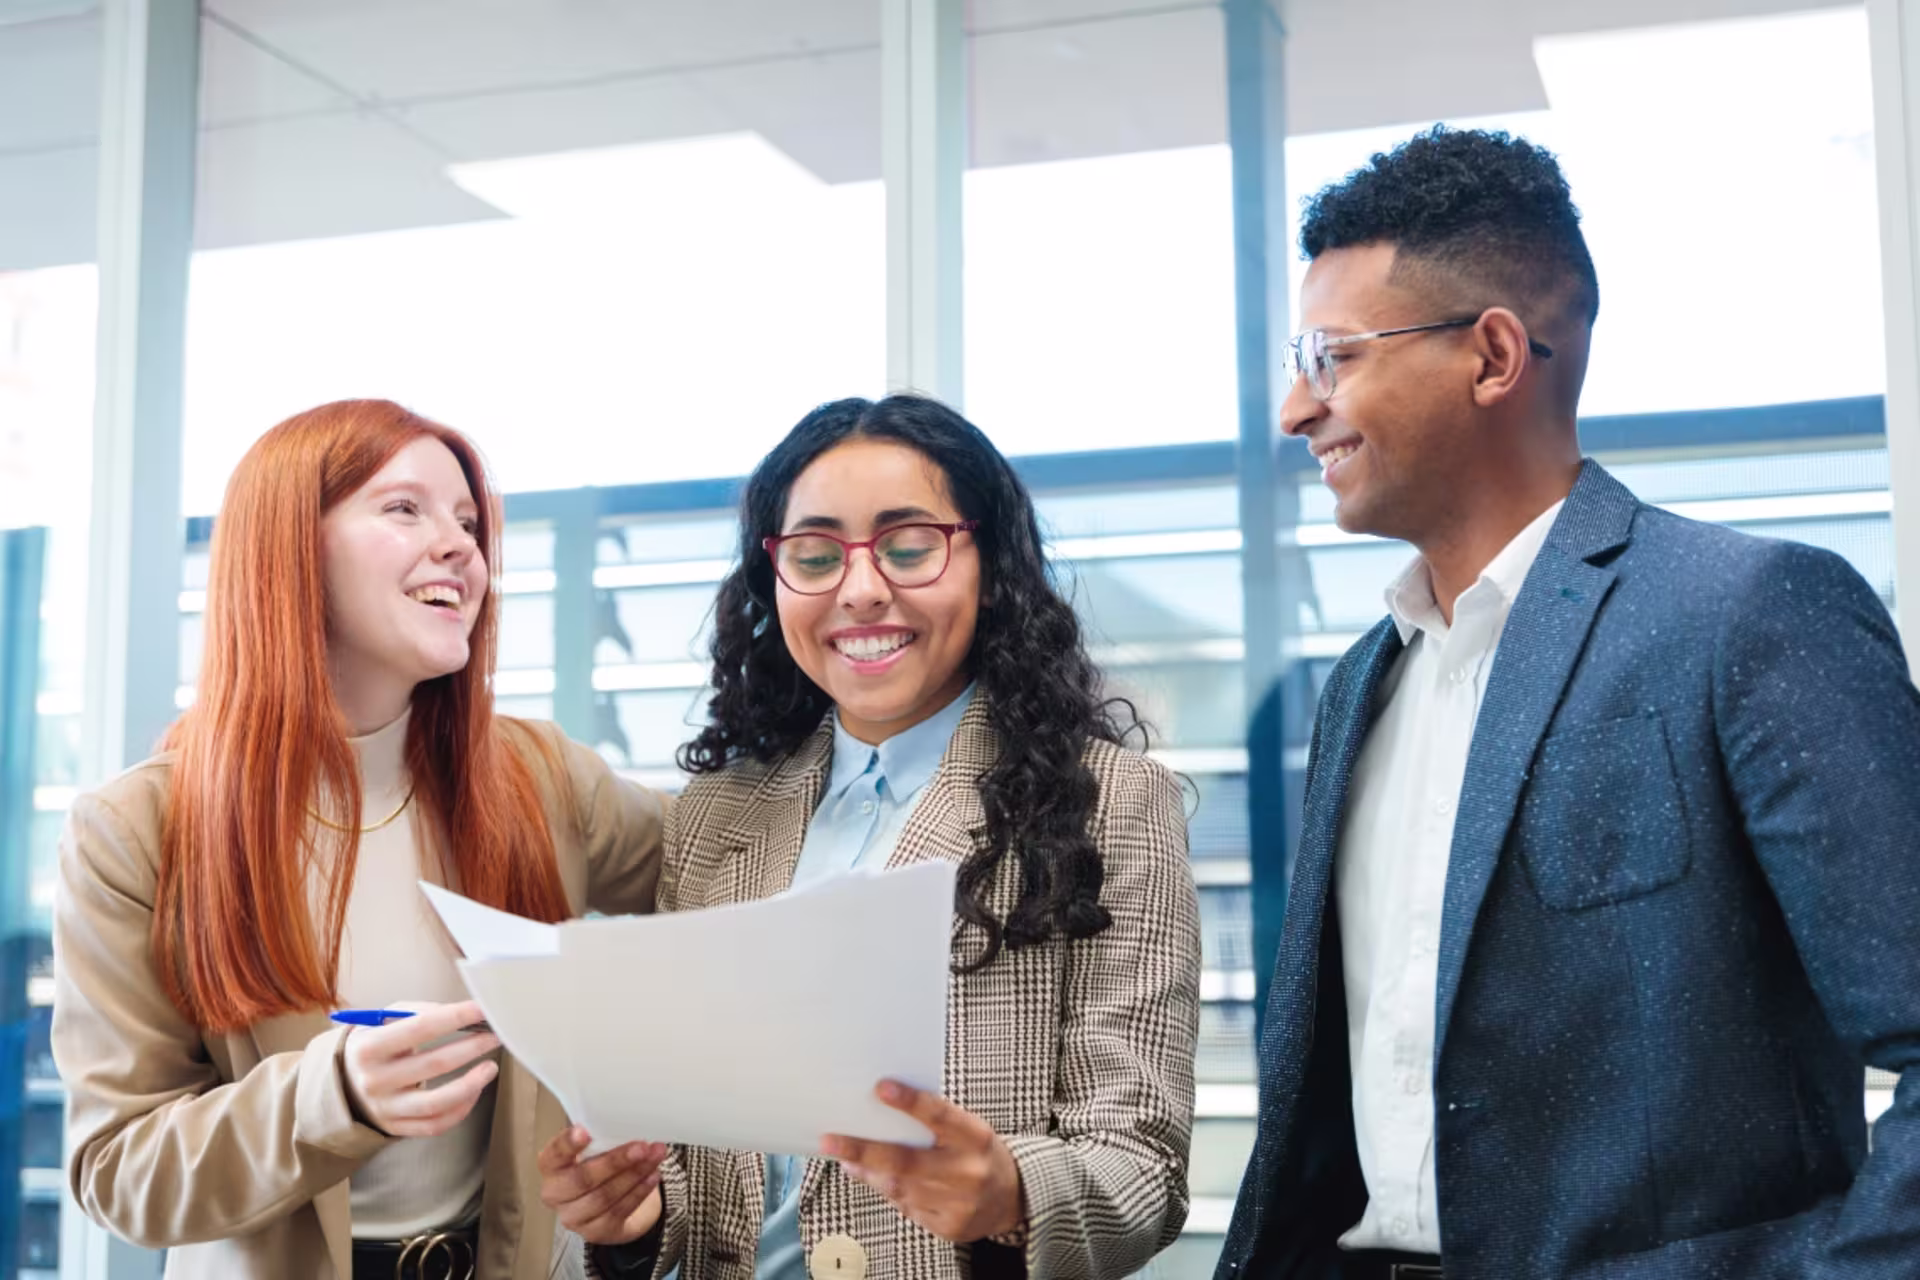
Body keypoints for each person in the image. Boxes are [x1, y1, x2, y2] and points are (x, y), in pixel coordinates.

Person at [1216, 126, 1920, 1279]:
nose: (1297, 409)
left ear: (1493, 355)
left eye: (1331, 356)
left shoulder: (1748, 612)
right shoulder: (1358, 684)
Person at [536, 394, 1201, 1279]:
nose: (860, 589)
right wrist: (634, 1217)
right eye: (815, 555)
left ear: (990, 567)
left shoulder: (1112, 802)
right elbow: (705, 1169)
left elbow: (1143, 1167)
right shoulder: (713, 817)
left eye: (909, 546)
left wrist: (1008, 1193)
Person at [52, 399, 670, 1279]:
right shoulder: (136, 832)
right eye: (404, 508)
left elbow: (735, 866)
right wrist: (331, 1095)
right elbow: (118, 1174)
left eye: (468, 521)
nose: (463, 546)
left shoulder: (543, 781)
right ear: (289, 549)